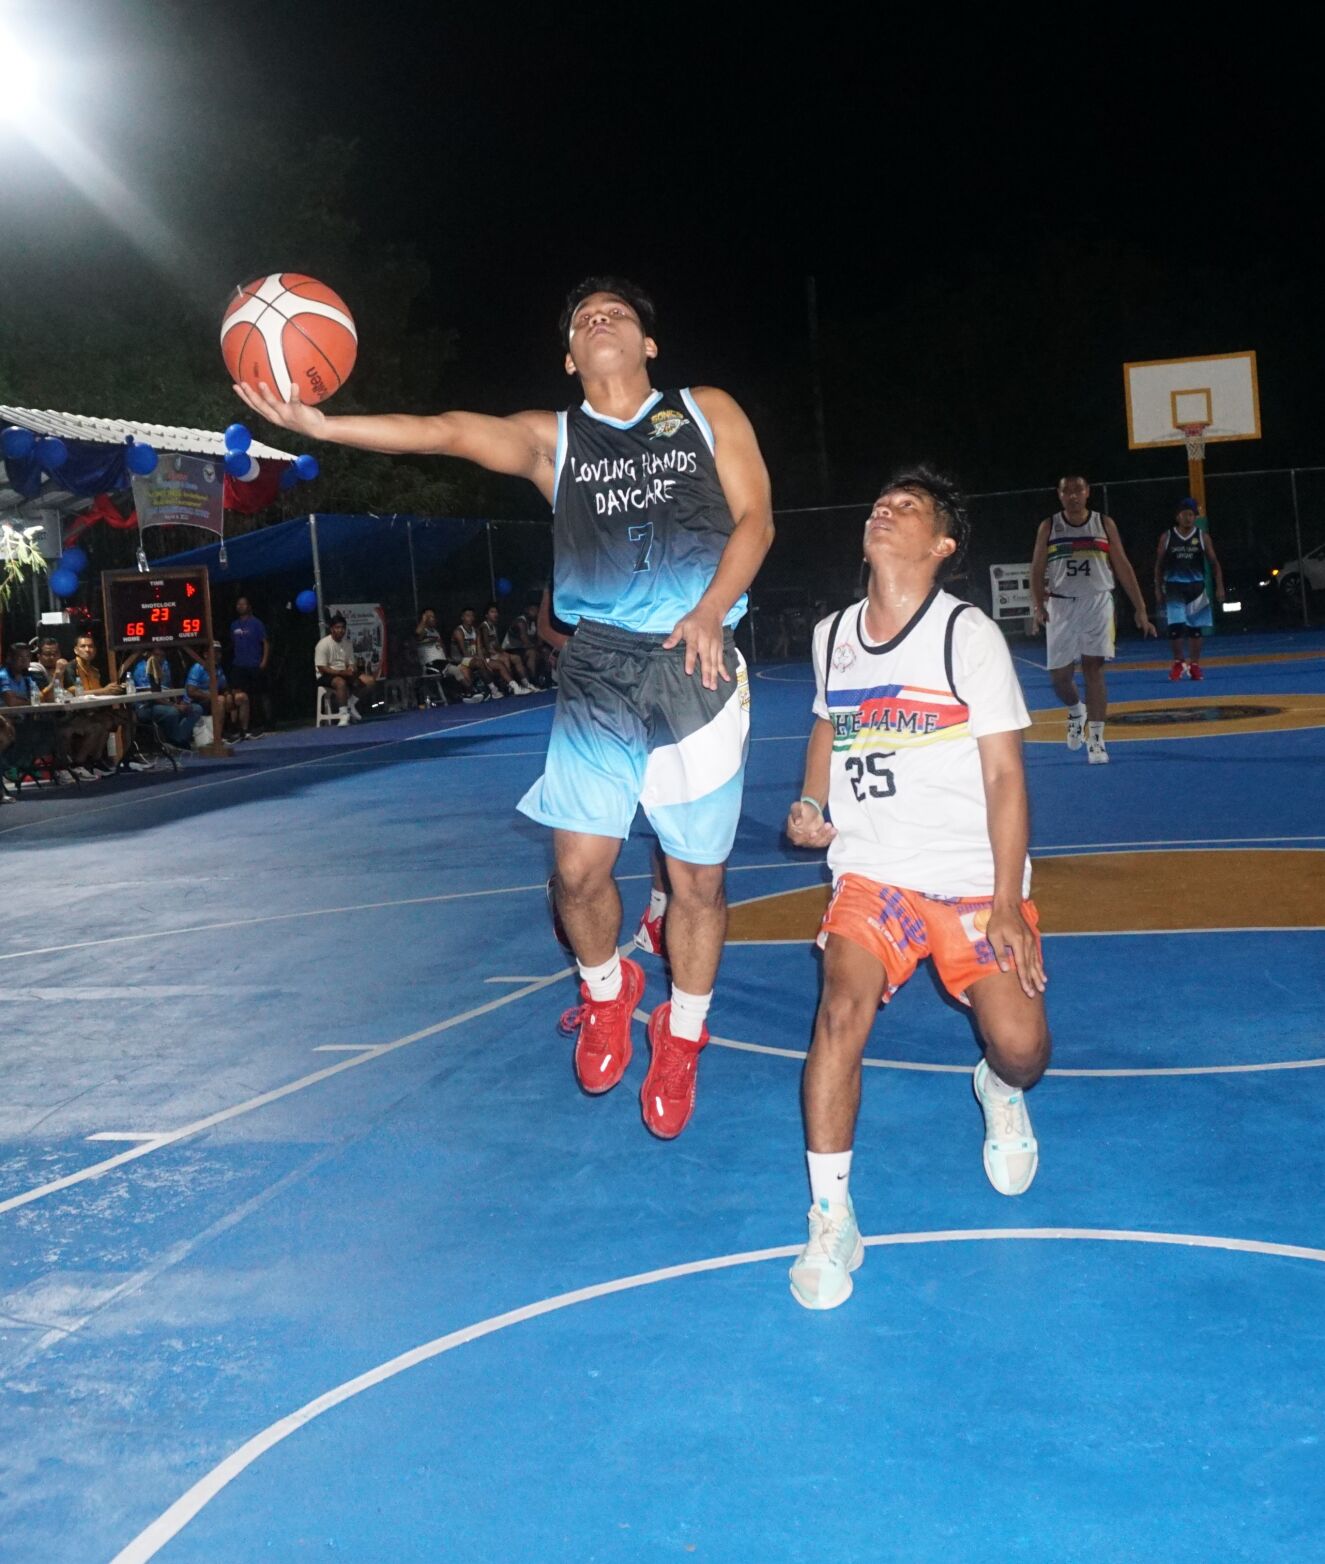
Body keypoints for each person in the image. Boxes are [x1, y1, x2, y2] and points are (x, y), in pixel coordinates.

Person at [236, 274, 774, 1137]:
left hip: (695, 662)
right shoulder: (551, 440)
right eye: (584, 318)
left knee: (697, 883)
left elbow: (756, 520)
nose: (601, 318)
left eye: (619, 313)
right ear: (570, 358)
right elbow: (442, 433)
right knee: (576, 873)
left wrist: (710, 608)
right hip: (600, 665)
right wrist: (323, 426)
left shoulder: (707, 410)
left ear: (648, 346)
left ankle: (682, 1035)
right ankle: (609, 991)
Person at [784, 468, 1050, 1311]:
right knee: (838, 1012)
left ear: (941, 546)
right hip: (875, 872)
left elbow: (1005, 776)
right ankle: (831, 1219)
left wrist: (1006, 900)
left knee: (1022, 1049)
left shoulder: (964, 635)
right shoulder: (832, 635)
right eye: (879, 500)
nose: (882, 508)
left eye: (906, 507)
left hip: (972, 879)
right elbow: (828, 721)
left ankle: (998, 1089)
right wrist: (811, 802)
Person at [1030, 474, 1155, 764]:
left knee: (1093, 669)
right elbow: (1036, 568)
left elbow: (1122, 564)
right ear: (1059, 495)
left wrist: (1140, 607)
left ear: (1088, 493)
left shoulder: (1103, 524)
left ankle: (1097, 740)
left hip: (1097, 602)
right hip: (1060, 605)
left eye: (1078, 490)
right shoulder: (1049, 526)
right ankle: (1076, 710)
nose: (1073, 496)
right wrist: (1038, 605)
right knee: (1059, 677)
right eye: (1067, 491)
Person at [1155, 498, 1224, 680]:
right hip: (1174, 587)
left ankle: (1194, 664)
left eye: (1192, 515)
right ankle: (1178, 662)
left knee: (1196, 629)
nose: (1188, 518)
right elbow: (1159, 565)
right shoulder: (1167, 536)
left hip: (1196, 586)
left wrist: (1219, 587)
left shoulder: (1202, 536)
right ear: (1178, 516)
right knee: (1175, 628)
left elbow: (1214, 563)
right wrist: (1157, 588)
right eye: (1185, 514)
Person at [314, 613, 377, 720]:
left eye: (343, 628)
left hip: (344, 672)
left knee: (370, 681)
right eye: (337, 627)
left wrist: (352, 669)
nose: (341, 630)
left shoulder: (348, 644)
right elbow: (322, 668)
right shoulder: (323, 644)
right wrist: (342, 673)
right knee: (340, 682)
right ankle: (343, 714)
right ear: (332, 629)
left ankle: (350, 704)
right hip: (326, 675)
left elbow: (351, 662)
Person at [127, 650, 196, 748]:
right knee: (173, 712)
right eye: (156, 655)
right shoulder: (142, 668)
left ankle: (179, 739)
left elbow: (169, 686)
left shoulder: (165, 665)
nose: (160, 658)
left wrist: (180, 701)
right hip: (145, 706)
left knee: (195, 709)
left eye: (162, 656)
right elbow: (153, 696)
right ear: (150, 655)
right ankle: (175, 741)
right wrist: (175, 706)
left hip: (165, 702)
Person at [185, 647, 249, 738]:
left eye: (219, 653)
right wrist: (211, 697)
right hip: (196, 701)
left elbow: (224, 687)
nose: (218, 656)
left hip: (213, 699)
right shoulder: (197, 668)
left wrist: (228, 695)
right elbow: (191, 692)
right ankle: (218, 737)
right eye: (214, 653)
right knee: (220, 700)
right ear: (206, 655)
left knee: (241, 697)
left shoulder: (218, 668)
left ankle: (243, 731)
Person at [229, 596, 269, 732]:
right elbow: (233, 643)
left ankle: (264, 722)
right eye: (238, 604)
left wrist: (263, 660)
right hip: (239, 665)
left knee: (258, 695)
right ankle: (239, 726)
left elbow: (265, 643)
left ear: (248, 606)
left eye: (243, 604)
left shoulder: (257, 623)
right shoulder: (233, 625)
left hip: (254, 664)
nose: (240, 606)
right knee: (238, 696)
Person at [451, 608, 511, 699]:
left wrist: (485, 662)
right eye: (468, 616)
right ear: (462, 617)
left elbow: (479, 650)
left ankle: (514, 686)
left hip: (474, 659)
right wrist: (482, 661)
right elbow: (465, 653)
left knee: (498, 664)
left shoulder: (476, 631)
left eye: (472, 616)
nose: (470, 618)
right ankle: (494, 690)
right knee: (479, 663)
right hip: (461, 659)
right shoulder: (459, 631)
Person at [481, 603, 536, 693]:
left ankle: (526, 683)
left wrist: (502, 652)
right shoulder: (484, 627)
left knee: (516, 658)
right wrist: (499, 654)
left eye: (496, 612)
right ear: (486, 615)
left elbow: (496, 645)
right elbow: (486, 646)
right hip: (487, 655)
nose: (495, 614)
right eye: (492, 612)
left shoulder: (494, 626)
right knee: (505, 658)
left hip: (495, 653)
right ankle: (511, 686)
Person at [503, 595, 549, 687]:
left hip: (523, 648)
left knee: (546, 651)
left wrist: (540, 644)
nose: (535, 612)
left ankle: (546, 678)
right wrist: (537, 646)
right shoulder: (520, 622)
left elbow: (540, 640)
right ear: (527, 610)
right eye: (533, 610)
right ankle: (532, 680)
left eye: (537, 610)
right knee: (532, 653)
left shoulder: (534, 622)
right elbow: (526, 642)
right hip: (511, 649)